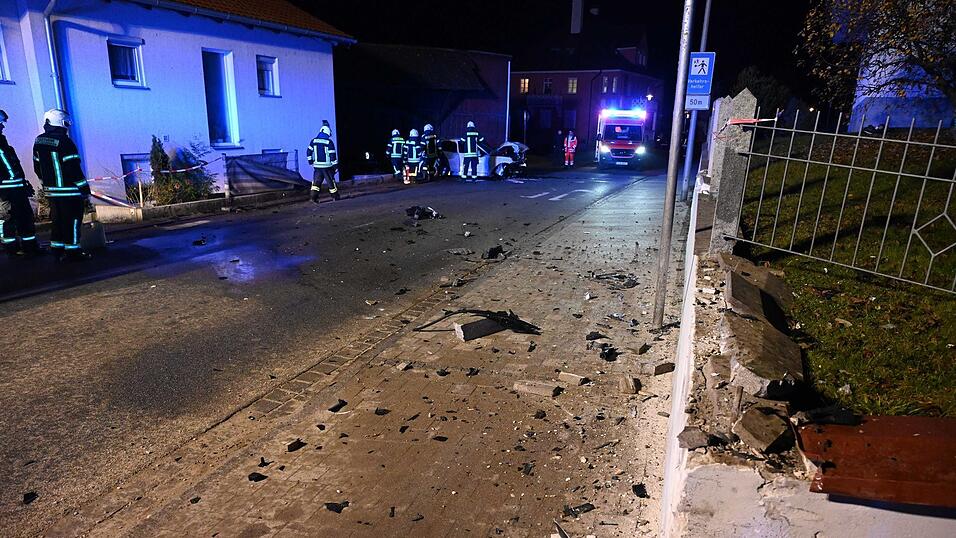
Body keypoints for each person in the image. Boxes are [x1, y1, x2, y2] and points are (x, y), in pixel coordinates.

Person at [33, 109, 90, 260]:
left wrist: (46, 183)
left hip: (51, 191)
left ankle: (57, 249)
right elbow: (73, 167)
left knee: (57, 220)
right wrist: (84, 187)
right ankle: (73, 252)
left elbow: (37, 166)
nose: (67, 126)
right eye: (66, 123)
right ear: (60, 122)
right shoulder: (65, 142)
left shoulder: (39, 141)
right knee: (73, 221)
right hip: (69, 191)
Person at [0, 109, 38, 256]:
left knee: (16, 219)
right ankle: (24, 248)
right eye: (1, 123)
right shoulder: (2, 145)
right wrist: (17, 180)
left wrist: (24, 183)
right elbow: (9, 166)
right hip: (9, 190)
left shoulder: (5, 145)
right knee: (17, 218)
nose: (3, 126)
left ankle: (18, 248)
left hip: (12, 189)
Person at [307, 124, 339, 202]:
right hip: (327, 167)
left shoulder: (313, 141)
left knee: (316, 184)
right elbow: (332, 155)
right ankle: (335, 197)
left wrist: (310, 161)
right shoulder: (329, 142)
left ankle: (313, 198)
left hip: (317, 167)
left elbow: (308, 152)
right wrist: (335, 167)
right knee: (331, 183)